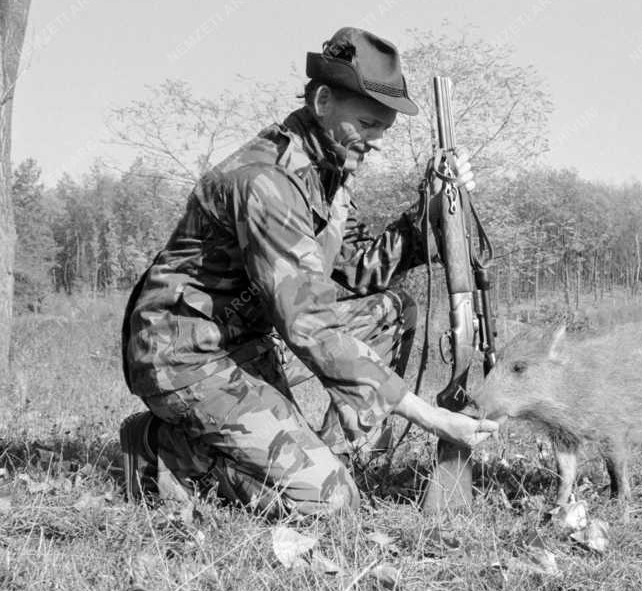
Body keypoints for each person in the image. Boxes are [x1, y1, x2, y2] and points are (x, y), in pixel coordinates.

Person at [119, 26, 498, 516]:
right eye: (367, 124)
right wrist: (432, 417)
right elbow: (310, 324)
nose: (375, 142)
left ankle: (325, 452)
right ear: (322, 100)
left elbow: (361, 269)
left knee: (392, 309)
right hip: (185, 354)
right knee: (330, 500)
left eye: (382, 130)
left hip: (249, 337)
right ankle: (157, 447)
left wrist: (433, 215)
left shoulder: (328, 171)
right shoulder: (268, 183)